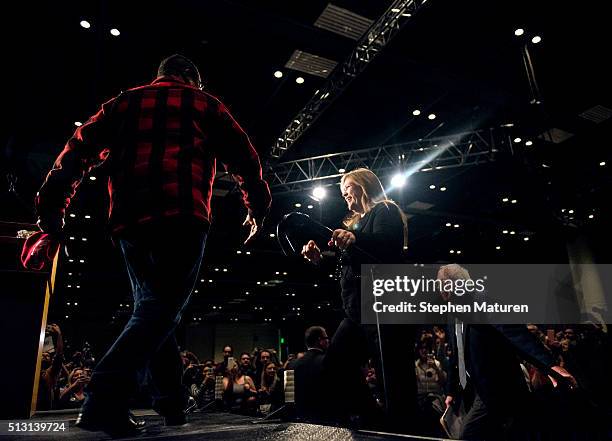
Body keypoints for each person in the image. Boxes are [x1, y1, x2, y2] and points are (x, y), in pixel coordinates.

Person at [34, 54, 271, 435]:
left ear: (160, 76)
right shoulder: (205, 104)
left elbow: (74, 153)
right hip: (182, 214)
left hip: (130, 221)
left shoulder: (123, 102)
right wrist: (257, 209)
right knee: (160, 311)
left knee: (155, 309)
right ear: (194, 79)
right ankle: (103, 398)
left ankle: (171, 403)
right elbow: (245, 159)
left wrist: (52, 206)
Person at [301, 168, 414, 427]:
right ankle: (373, 419)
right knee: (334, 367)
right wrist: (320, 258)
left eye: (348, 188)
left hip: (382, 306)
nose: (345, 196)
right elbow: (349, 267)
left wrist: (355, 238)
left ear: (364, 185)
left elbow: (387, 248)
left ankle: (404, 427)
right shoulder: (355, 223)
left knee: (392, 375)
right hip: (356, 311)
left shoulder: (385, 210)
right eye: (342, 193)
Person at [438, 264, 577, 440]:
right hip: (473, 390)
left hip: (497, 388)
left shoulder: (484, 301)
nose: (446, 294)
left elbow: (516, 333)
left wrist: (549, 365)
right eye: (443, 288)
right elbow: (455, 355)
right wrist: (451, 391)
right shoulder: (451, 313)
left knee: (469, 434)